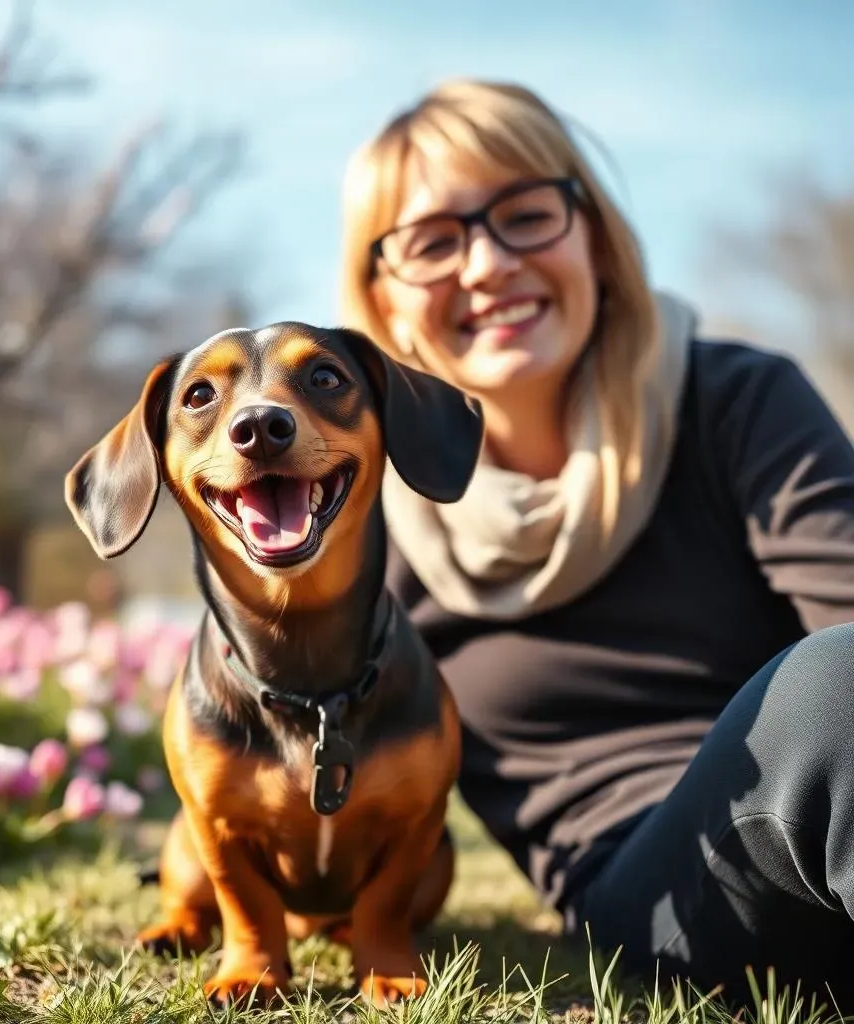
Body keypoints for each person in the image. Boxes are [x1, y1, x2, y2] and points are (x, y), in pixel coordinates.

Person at [337, 78, 854, 1010]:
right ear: (381, 301)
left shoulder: (736, 402)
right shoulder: (363, 518)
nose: (489, 266)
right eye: (432, 243)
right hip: (652, 899)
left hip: (833, 830)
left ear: (595, 236)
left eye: (526, 214)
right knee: (837, 686)